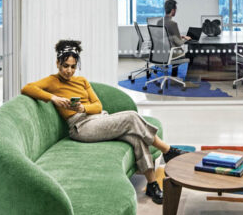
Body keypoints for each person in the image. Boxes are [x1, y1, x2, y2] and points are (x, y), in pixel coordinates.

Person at [21, 39, 187, 204]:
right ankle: (167, 150)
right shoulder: (52, 81)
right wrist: (54, 98)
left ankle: (152, 184)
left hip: (99, 119)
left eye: (73, 66)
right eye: (65, 66)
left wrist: (83, 108)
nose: (69, 71)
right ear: (58, 63)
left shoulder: (82, 81)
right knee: (131, 117)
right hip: (81, 127)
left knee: (136, 138)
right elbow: (27, 88)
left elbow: (98, 106)